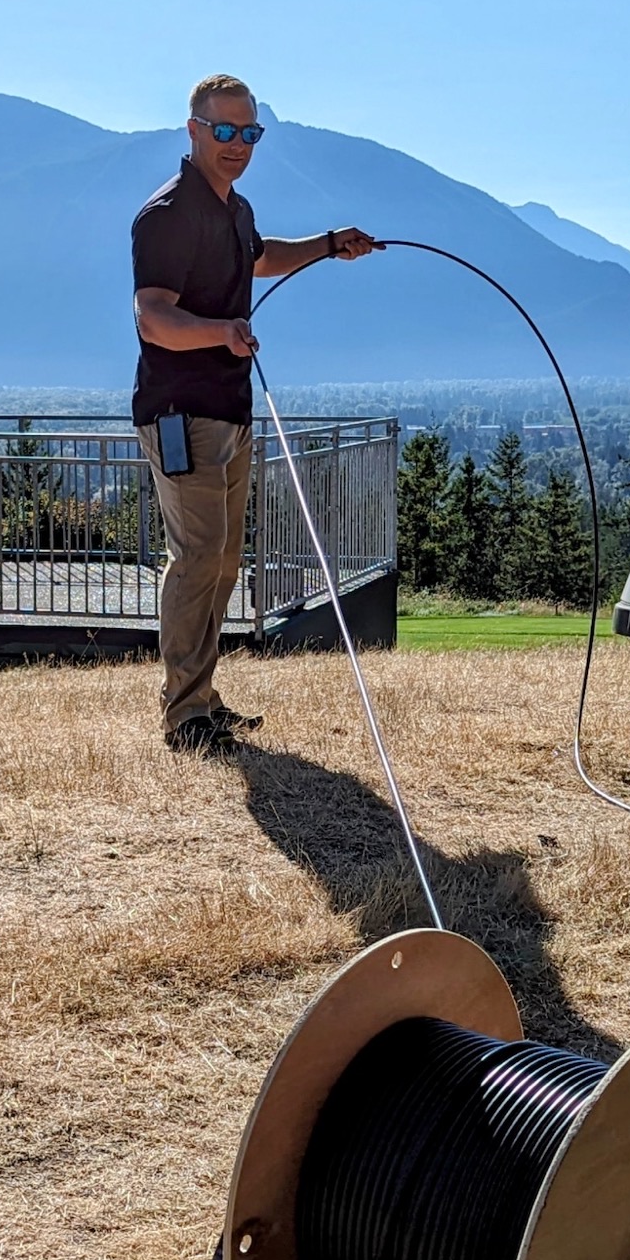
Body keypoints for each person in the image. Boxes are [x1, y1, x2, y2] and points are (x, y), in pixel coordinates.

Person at [130, 73, 379, 754]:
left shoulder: (233, 211)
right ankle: (184, 718)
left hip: (231, 411)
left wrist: (328, 245)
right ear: (194, 130)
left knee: (225, 560)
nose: (238, 144)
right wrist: (221, 332)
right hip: (181, 414)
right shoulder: (169, 213)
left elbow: (261, 257)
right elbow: (153, 317)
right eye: (225, 131)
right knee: (198, 557)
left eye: (250, 133)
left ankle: (201, 697)